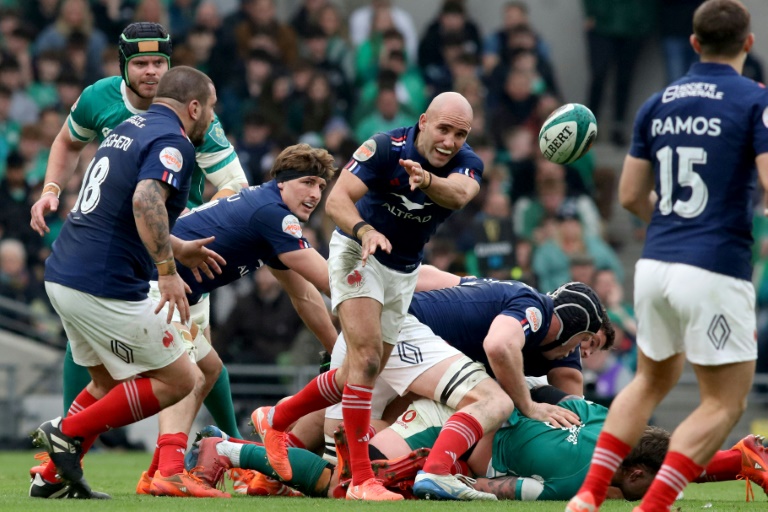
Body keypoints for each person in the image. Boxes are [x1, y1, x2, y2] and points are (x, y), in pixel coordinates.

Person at [566, 2, 768, 511]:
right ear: (748, 43)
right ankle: (653, 505)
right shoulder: (755, 101)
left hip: (654, 265)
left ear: (695, 44)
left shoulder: (658, 101)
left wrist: (676, 219)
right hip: (715, 265)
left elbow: (632, 196)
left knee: (649, 380)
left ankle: (589, 495)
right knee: (725, 401)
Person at [252, 91, 483, 500]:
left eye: (460, 135)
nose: (450, 141)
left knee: (358, 373)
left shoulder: (468, 165)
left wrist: (427, 180)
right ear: (424, 121)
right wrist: (365, 230)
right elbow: (337, 201)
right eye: (444, 129)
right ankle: (362, 480)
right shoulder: (383, 146)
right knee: (367, 359)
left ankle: (278, 416)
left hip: (404, 269)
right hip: (357, 252)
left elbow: (460, 195)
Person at [28, 21, 247, 451]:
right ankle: (79, 443)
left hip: (166, 243)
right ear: (123, 65)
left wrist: (177, 237)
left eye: (159, 63)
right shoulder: (102, 99)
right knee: (185, 367)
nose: (151, 71)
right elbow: (68, 145)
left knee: (189, 356)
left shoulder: (197, 114)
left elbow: (234, 185)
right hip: (128, 251)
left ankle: (65, 457)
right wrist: (51, 190)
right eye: (142, 63)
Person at [133, 143, 338, 496]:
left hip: (160, 286)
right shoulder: (276, 215)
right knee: (190, 376)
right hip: (150, 285)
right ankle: (168, 472)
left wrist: (336, 349)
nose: (315, 194)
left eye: (321, 186)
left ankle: (154, 473)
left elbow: (303, 294)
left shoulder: (267, 212)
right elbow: (330, 282)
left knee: (209, 369)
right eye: (308, 182)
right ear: (283, 182)